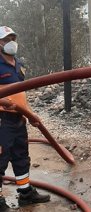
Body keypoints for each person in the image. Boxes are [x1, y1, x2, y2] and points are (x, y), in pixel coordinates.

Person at [0, 26, 50, 211]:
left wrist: (30, 114)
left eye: (12, 38)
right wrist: (3, 99)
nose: (11, 42)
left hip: (19, 119)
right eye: (6, 39)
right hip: (2, 120)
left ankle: (26, 193)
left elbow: (21, 94)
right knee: (0, 158)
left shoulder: (18, 64)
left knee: (21, 156)